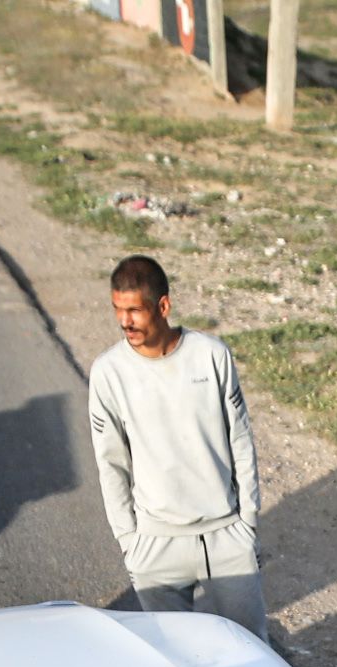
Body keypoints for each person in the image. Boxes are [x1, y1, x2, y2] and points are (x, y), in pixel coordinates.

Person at [86, 254, 265, 637]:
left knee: (252, 655)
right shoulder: (108, 373)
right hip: (155, 545)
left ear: (163, 306)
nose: (125, 322)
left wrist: (246, 522)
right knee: (173, 665)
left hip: (225, 539)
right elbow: (111, 462)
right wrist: (130, 541)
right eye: (118, 310)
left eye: (134, 310)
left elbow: (241, 439)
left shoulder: (212, 356)